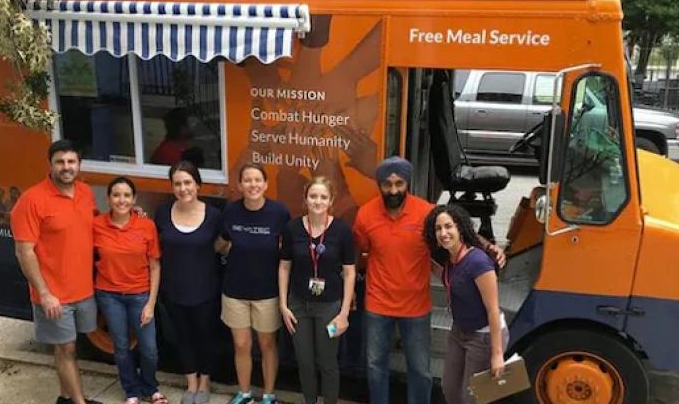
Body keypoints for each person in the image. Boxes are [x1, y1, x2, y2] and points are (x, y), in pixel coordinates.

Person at [352, 156, 506, 404]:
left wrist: (490, 247)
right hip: (377, 304)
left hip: (416, 307)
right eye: (387, 184)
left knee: (421, 371)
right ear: (379, 185)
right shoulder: (365, 216)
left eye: (399, 183)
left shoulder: (425, 212)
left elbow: (459, 229)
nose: (393, 190)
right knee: (374, 367)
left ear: (408, 183)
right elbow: (361, 251)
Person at [10, 139, 102, 404]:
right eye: (60, 162)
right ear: (50, 165)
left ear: (79, 165)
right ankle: (79, 401)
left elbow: (92, 224)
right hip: (53, 294)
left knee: (70, 348)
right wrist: (44, 293)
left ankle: (64, 397)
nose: (66, 167)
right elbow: (24, 252)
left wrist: (129, 216)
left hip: (83, 290)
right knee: (66, 348)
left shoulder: (85, 192)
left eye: (71, 162)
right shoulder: (32, 200)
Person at [216, 163, 290, 404]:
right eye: (247, 180)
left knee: (267, 344)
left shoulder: (279, 213)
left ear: (266, 184)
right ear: (240, 185)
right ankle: (244, 392)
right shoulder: (231, 211)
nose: (253, 185)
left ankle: (268, 394)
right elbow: (220, 243)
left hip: (267, 292)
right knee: (241, 344)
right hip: (235, 290)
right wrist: (225, 246)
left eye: (258, 180)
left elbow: (287, 251)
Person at [278, 176, 356, 404]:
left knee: (327, 362)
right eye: (313, 196)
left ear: (331, 200)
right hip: (298, 306)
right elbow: (284, 267)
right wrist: (283, 305)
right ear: (305, 199)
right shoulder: (292, 228)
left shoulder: (341, 231)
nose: (318, 201)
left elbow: (350, 273)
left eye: (323, 197)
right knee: (304, 362)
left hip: (329, 308)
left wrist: (343, 313)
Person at [423, 204, 508, 404]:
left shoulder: (478, 262)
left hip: (483, 336)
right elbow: (448, 278)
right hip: (459, 331)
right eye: (438, 229)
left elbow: (493, 310)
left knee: (472, 398)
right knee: (450, 389)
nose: (443, 233)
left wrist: (497, 355)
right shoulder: (451, 259)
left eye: (448, 226)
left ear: (460, 227)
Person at [94, 177, 168, 404]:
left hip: (140, 295)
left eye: (126, 195)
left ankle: (150, 387)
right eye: (116, 195)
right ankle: (131, 391)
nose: (121, 200)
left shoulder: (146, 226)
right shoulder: (96, 225)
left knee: (149, 349)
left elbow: (155, 265)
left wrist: (150, 303)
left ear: (134, 199)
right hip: (109, 295)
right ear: (108, 199)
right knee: (121, 346)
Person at [155, 161, 222, 404]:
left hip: (205, 289)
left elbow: (222, 244)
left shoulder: (214, 215)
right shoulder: (163, 212)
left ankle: (205, 381)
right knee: (182, 336)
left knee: (205, 336)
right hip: (173, 289)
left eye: (188, 183)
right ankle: (191, 382)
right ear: (172, 187)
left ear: (198, 185)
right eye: (178, 183)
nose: (183, 188)